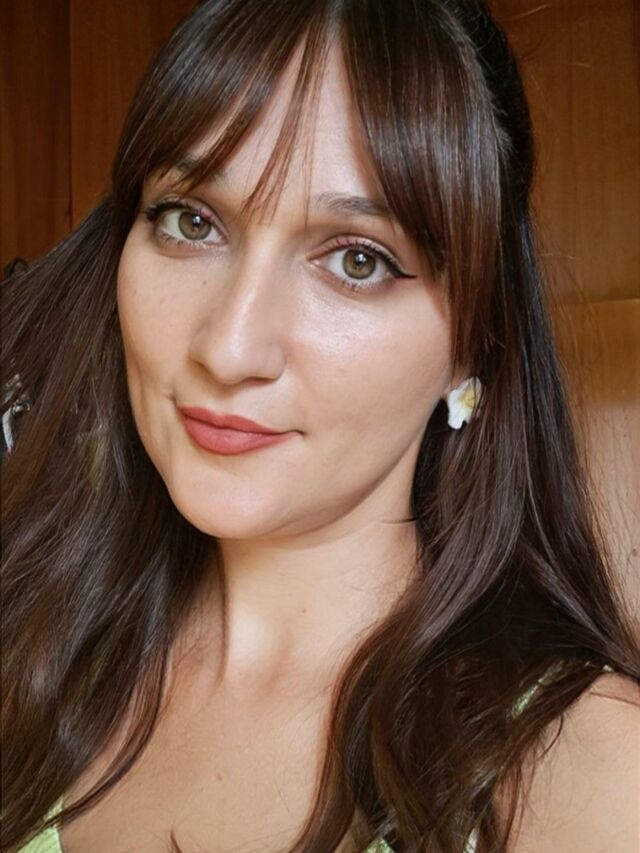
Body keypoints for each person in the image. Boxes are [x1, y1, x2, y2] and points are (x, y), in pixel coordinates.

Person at [2, 1, 638, 851]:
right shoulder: (30, 656)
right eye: (191, 221)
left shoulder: (588, 776)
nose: (229, 348)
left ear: (472, 340)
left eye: (357, 260)